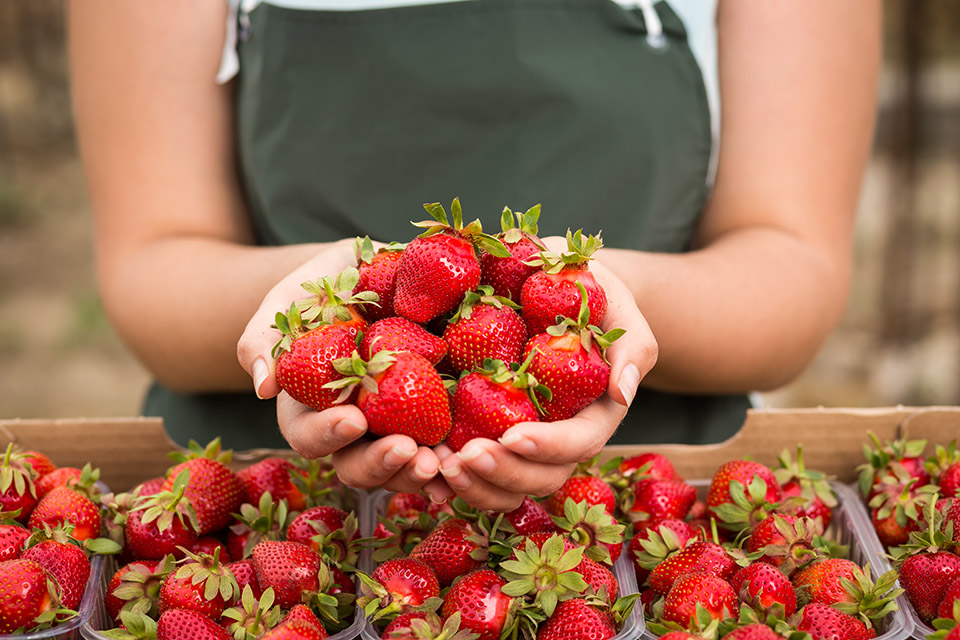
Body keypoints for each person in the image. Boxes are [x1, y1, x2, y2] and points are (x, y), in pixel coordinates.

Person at [68, 0, 880, 511]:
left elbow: (792, 265)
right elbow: (150, 267)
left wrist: (595, 293)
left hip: (650, 500)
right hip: (277, 500)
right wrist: (330, 308)